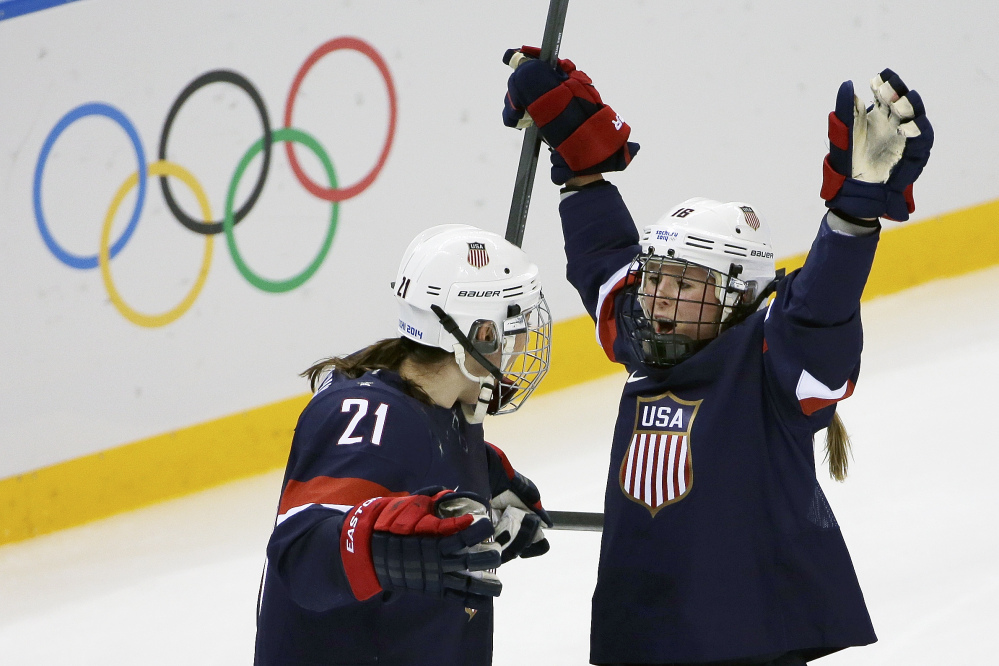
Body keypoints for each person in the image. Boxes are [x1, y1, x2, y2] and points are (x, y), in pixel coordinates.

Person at [501, 48, 933, 665]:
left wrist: (854, 212)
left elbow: (818, 306)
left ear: (739, 295)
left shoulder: (772, 360)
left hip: (748, 635)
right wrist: (577, 161)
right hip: (647, 632)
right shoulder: (654, 339)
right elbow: (605, 266)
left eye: (684, 283)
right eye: (656, 278)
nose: (658, 297)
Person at [253, 224, 555, 665]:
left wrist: (482, 484)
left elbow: (416, 469)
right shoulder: (367, 414)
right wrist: (380, 546)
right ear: (482, 334)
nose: (525, 341)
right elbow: (300, 553)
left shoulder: (446, 402)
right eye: (518, 324)